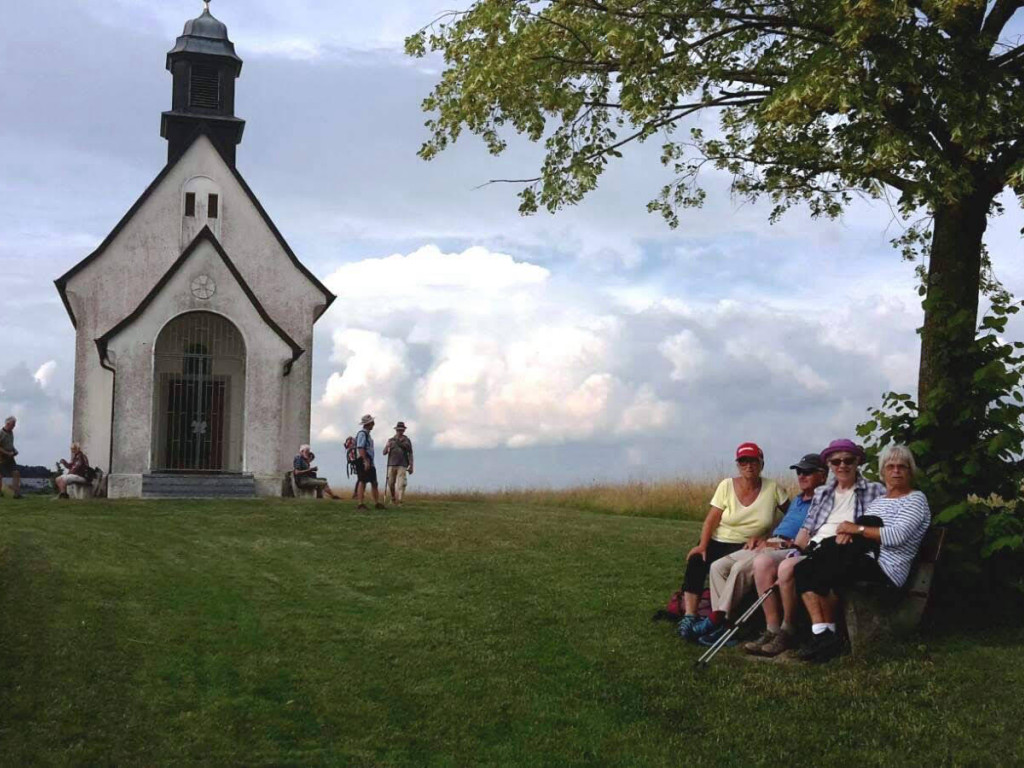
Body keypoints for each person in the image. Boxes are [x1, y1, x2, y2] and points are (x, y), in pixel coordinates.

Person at [746, 438, 886, 657]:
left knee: (787, 568)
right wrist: (794, 549)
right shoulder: (823, 493)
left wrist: (853, 532)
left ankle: (788, 629)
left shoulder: (874, 490)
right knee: (762, 561)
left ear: (858, 461)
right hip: (812, 547)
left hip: (842, 549)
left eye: (848, 460)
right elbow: (808, 527)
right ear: (829, 465)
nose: (842, 465)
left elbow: (874, 524)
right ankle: (770, 629)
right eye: (836, 461)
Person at [793, 444, 930, 662]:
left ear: (910, 471)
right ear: (882, 471)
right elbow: (862, 531)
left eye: (901, 467)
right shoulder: (879, 501)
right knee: (803, 568)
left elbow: (896, 536)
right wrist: (849, 534)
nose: (895, 471)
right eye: (890, 466)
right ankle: (823, 634)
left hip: (886, 571)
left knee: (821, 566)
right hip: (864, 559)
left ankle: (825, 639)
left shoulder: (915, 499)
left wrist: (855, 529)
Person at [691, 452, 829, 647]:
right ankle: (723, 624)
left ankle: (718, 620)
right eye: (799, 472)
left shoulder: (824, 501)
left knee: (740, 569)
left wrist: (780, 544)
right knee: (718, 567)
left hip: (786, 548)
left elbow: (813, 536)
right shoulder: (798, 499)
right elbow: (784, 524)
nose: (801, 476)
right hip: (771, 541)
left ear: (823, 476)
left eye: (807, 472)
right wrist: (764, 538)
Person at [677, 442, 789, 641]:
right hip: (719, 539)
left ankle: (719, 621)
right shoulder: (726, 485)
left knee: (735, 569)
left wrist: (768, 537)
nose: (748, 466)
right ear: (738, 465)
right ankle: (690, 615)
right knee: (696, 561)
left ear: (761, 463)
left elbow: (790, 517)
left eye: (753, 461)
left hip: (748, 545)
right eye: (743, 461)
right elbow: (712, 519)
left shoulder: (773, 488)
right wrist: (702, 545)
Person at [355, 414, 385, 510]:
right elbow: (360, 448)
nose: (373, 424)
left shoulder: (367, 434)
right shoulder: (362, 434)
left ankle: (376, 503)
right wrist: (365, 461)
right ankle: (360, 504)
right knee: (362, 481)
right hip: (363, 460)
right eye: (372, 422)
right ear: (368, 424)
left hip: (369, 460)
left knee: (374, 482)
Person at [382, 421, 414, 506]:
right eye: (398, 430)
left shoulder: (407, 440)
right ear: (396, 430)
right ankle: (393, 498)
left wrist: (411, 466)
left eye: (401, 430)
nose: (400, 431)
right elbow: (384, 452)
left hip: (402, 464)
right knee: (390, 482)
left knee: (401, 484)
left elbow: (410, 453)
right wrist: (387, 446)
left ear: (404, 430)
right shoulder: (390, 440)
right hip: (391, 464)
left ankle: (400, 501)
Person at [0, 416, 22, 499]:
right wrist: (7, 453)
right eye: (13, 425)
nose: (14, 426)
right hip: (1, 458)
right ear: (7, 424)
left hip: (10, 458)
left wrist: (14, 450)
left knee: (16, 472)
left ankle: (16, 493)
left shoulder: (11, 433)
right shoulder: (1, 433)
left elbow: (10, 444)